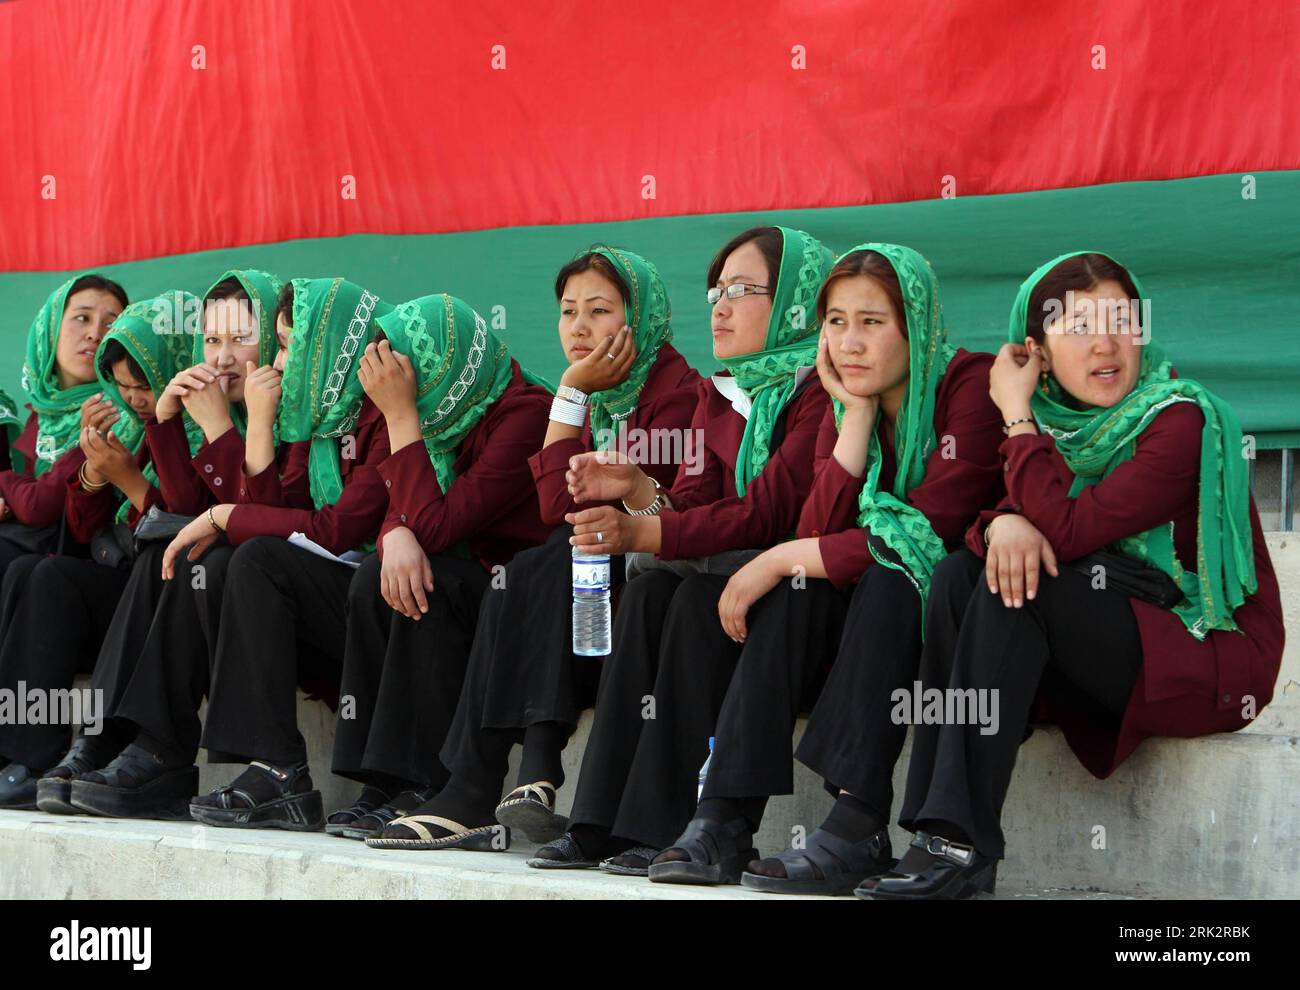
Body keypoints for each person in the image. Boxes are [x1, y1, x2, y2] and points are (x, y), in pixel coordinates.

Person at [855, 251, 1286, 900]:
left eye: (1121, 320)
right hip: (1110, 629)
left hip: (1202, 651)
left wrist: (1016, 416)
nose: (1107, 342)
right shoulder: (1058, 430)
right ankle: (932, 835)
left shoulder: (1178, 420)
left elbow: (1069, 531)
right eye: (1080, 327)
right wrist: (1003, 524)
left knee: (1022, 583)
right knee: (958, 578)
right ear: (1041, 354)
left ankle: (961, 842)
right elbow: (1002, 525)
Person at [640, 244, 1005, 890]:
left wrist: (780, 557)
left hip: (957, 616)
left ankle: (859, 821)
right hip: (863, 623)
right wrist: (858, 420)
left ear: (913, 324)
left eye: (872, 322)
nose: (849, 342)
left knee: (883, 576)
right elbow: (819, 529)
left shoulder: (968, 387)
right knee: (799, 587)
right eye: (836, 322)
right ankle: (724, 818)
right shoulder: (842, 404)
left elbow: (927, 532)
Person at [353, 247, 699, 846]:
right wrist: (394, 528)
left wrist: (568, 389)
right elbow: (558, 508)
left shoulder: (682, 397)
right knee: (522, 566)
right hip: (561, 596)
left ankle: (496, 781)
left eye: (600, 310)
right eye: (568, 312)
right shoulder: (598, 396)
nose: (580, 328)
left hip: (642, 593)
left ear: (639, 318)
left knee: (551, 556)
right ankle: (479, 782)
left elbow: (571, 513)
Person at [523, 225, 833, 872]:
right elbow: (688, 507)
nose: (718, 306)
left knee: (688, 595)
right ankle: (601, 822)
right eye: (715, 290)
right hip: (731, 583)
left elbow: (769, 512)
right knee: (654, 592)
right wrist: (640, 489)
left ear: (795, 304)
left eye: (741, 290)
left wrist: (643, 525)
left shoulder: (820, 391)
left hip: (816, 598)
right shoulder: (721, 398)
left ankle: (683, 824)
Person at [43, 270, 286, 819]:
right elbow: (91, 527)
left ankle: (159, 748)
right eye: (213, 340)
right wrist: (159, 429)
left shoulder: (286, 406)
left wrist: (207, 432)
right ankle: (106, 737)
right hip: (199, 583)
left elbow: (248, 510)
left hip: (273, 593)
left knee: (183, 550)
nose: (223, 358)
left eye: (240, 339)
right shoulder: (184, 411)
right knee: (50, 571)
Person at [160, 276, 395, 831]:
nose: (220, 361)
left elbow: (333, 530)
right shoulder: (311, 418)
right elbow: (262, 522)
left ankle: (261, 768)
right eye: (209, 342)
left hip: (400, 608)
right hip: (340, 608)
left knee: (243, 560)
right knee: (208, 563)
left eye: (286, 345)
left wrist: (241, 431)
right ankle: (255, 766)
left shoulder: (377, 413)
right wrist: (169, 422)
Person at [0, 291, 196, 809]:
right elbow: (88, 530)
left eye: (143, 385)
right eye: (125, 387)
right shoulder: (124, 422)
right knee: (36, 574)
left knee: (45, 573)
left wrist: (128, 480)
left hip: (173, 588)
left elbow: (186, 513)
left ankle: (66, 748)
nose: (134, 399)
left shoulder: (197, 421)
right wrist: (91, 476)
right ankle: (23, 757)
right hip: (121, 576)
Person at [0, 275, 127, 574]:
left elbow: (39, 506)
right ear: (51, 328)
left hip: (93, 565)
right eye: (82, 318)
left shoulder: (120, 407)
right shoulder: (43, 412)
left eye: (111, 324)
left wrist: (4, 481)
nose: (95, 334)